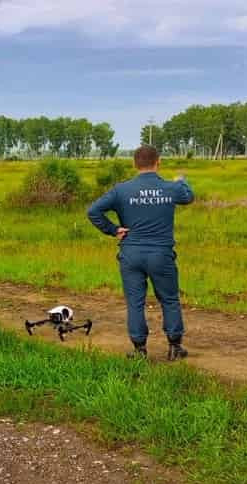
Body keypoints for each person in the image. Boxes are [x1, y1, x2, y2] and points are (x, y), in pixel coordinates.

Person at [87, 145, 194, 360]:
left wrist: (113, 229)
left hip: (131, 253)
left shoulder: (121, 190)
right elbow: (188, 196)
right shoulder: (170, 188)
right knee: (170, 299)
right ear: (158, 162)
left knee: (135, 302)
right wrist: (182, 180)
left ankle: (139, 350)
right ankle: (174, 347)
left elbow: (93, 211)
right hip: (161, 254)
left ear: (134, 164)